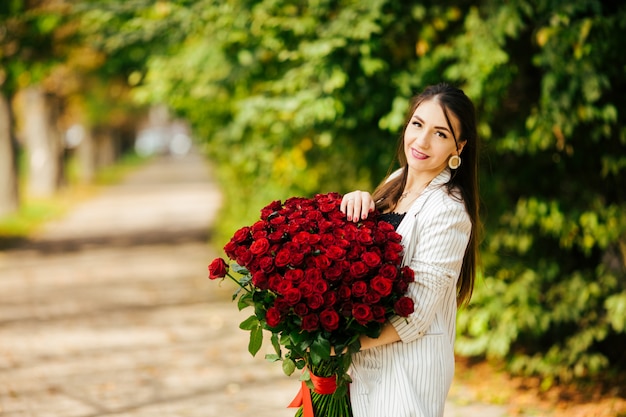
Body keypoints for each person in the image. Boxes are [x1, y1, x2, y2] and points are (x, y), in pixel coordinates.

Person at [339, 83, 480, 417]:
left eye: (440, 134)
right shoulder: (397, 180)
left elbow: (413, 316)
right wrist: (358, 202)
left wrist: (340, 345)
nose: (422, 141)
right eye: (417, 124)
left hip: (406, 372)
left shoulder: (448, 210)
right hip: (363, 367)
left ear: (458, 147)